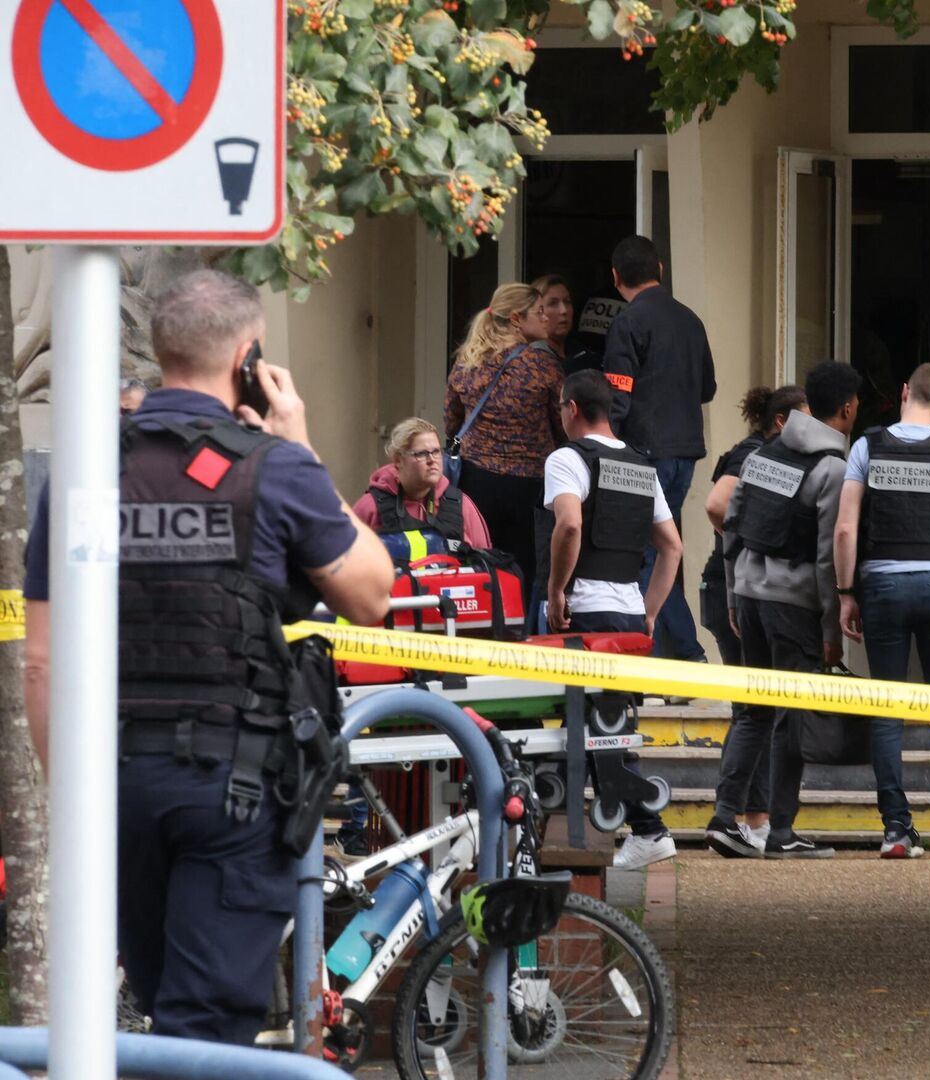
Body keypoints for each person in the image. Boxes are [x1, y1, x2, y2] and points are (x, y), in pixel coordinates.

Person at [22, 270, 392, 1045]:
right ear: (250, 358)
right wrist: (301, 442)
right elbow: (371, 594)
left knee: (161, 1012)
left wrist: (78, 805)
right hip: (235, 787)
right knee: (206, 1033)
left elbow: (41, 663)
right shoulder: (274, 467)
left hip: (114, 784)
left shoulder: (85, 471)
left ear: (162, 353)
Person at [709, 362, 860, 860]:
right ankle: (781, 831)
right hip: (792, 606)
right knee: (791, 719)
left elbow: (731, 524)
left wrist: (733, 596)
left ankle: (723, 819)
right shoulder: (833, 469)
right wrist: (830, 627)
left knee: (753, 711)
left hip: (749, 597)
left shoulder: (763, 454)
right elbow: (824, 557)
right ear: (847, 408)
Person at [833, 363, 930, 861]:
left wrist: (845, 591)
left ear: (902, 392)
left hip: (882, 585)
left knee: (887, 707)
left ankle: (896, 829)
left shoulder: (866, 447)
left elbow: (846, 530)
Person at [543, 370, 686, 869]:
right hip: (626, 613)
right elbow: (672, 547)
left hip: (586, 611)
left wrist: (557, 588)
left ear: (573, 408)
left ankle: (643, 828)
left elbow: (570, 524)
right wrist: (648, 613)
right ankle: (615, 830)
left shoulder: (567, 458)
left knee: (585, 727)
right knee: (611, 727)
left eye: (561, 407)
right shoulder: (640, 466)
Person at [699, 384, 808, 854]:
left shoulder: (766, 454)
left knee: (759, 708)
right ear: (782, 422)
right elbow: (718, 508)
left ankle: (755, 821)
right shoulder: (752, 455)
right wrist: (750, 549)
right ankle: (729, 817)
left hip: (739, 589)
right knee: (754, 711)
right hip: (736, 591)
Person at [602, 235, 717, 663]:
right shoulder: (690, 320)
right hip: (684, 453)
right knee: (661, 550)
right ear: (661, 270)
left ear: (615, 278)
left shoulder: (627, 324)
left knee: (647, 555)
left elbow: (618, 396)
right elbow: (707, 388)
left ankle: (683, 654)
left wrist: (604, 447)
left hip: (641, 455)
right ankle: (676, 655)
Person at [445, 282, 566, 608]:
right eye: (539, 312)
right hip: (528, 488)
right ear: (515, 318)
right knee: (525, 572)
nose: (547, 318)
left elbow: (451, 422)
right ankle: (519, 638)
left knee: (478, 567)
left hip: (475, 482)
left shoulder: (466, 363)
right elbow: (563, 427)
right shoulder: (543, 367)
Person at [352, 417, 494, 564]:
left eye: (436, 451)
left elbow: (486, 563)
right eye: (421, 454)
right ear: (398, 460)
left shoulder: (461, 505)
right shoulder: (371, 507)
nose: (432, 460)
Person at [532, 273, 602, 376]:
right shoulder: (531, 361)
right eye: (553, 303)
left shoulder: (583, 354)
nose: (564, 310)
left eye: (567, 301)